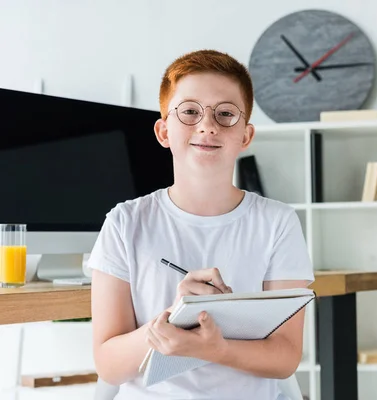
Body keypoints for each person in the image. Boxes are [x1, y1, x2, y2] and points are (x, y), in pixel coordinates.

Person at [88, 49, 314, 399]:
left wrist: (215, 348)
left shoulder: (277, 222)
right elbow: (109, 364)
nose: (207, 126)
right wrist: (173, 318)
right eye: (190, 111)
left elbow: (285, 356)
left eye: (225, 114)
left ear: (246, 136)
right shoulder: (124, 222)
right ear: (164, 131)